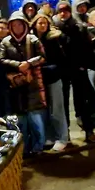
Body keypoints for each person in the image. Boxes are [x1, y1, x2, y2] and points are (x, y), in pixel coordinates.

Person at [0, 10, 48, 154]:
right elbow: (1, 60)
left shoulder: (33, 39)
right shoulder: (5, 42)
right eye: (14, 25)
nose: (17, 27)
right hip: (16, 86)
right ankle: (23, 150)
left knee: (36, 119)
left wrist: (29, 63)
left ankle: (38, 147)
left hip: (33, 84)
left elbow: (43, 56)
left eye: (20, 24)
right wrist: (17, 65)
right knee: (21, 122)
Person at [54, 0, 95, 143]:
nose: (63, 13)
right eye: (60, 11)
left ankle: (88, 129)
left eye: (66, 10)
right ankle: (65, 134)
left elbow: (87, 47)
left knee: (84, 99)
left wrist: (84, 64)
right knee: (63, 103)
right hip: (62, 69)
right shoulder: (54, 27)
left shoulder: (78, 27)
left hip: (78, 68)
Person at [34, 14, 69, 150]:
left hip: (53, 77)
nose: (42, 25)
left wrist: (53, 69)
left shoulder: (54, 38)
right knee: (44, 110)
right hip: (38, 79)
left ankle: (62, 137)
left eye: (45, 23)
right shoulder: (31, 39)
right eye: (40, 23)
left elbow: (61, 58)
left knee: (57, 109)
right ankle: (49, 137)